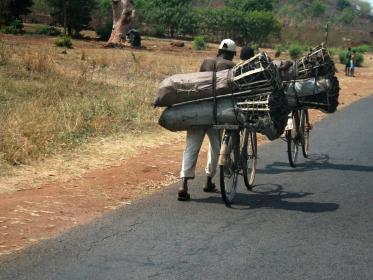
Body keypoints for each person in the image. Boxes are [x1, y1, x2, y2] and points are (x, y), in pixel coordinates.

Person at [178, 39, 237, 201]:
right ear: (232, 54)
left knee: (191, 147)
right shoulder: (232, 66)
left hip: (197, 110)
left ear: (218, 51)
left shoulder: (206, 61)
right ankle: (209, 180)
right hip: (217, 112)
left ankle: (183, 184)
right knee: (216, 147)